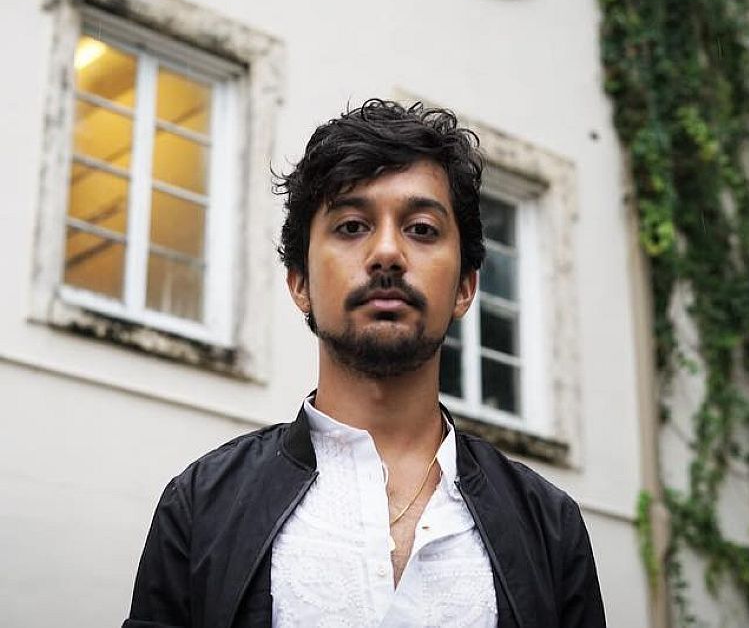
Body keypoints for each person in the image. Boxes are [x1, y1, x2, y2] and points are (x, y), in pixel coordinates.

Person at [123, 99, 606, 628]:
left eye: (421, 229)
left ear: (466, 287)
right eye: (352, 226)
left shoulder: (549, 528)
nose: (387, 253)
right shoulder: (201, 506)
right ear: (300, 283)